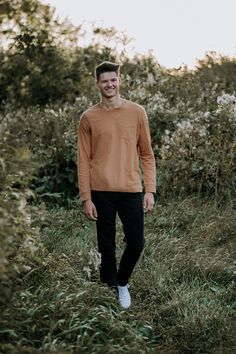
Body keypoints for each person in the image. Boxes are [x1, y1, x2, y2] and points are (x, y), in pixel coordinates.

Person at [77, 61, 156, 309]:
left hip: (131, 189)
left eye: (113, 79)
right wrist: (86, 197)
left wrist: (150, 190)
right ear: (97, 84)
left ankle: (122, 282)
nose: (109, 84)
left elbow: (147, 154)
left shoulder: (137, 112)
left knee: (136, 242)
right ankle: (109, 290)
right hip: (101, 191)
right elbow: (83, 159)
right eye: (104, 81)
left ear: (119, 80)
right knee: (106, 244)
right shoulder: (89, 117)